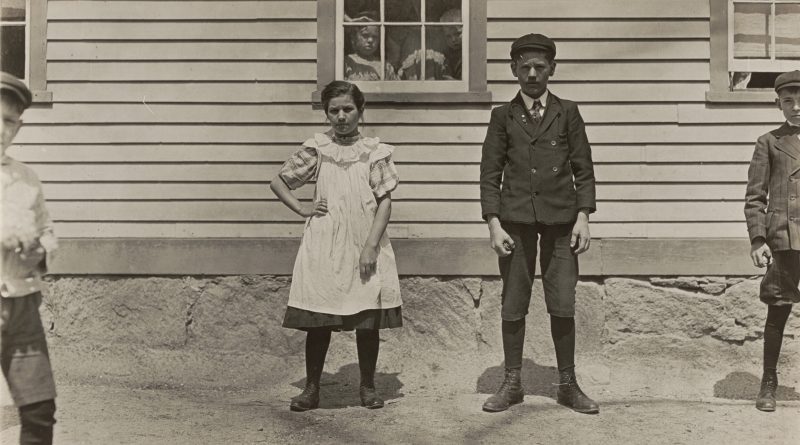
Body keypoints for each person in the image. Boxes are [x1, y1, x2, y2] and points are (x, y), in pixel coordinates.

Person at [478, 34, 598, 414]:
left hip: (563, 222)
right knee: (514, 302)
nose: (532, 74)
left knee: (562, 300)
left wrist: (583, 217)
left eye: (539, 67)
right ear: (514, 69)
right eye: (524, 67)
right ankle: (512, 383)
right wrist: (493, 224)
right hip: (514, 222)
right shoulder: (502, 116)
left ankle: (567, 384)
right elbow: (490, 172)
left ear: (552, 70)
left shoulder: (568, 112)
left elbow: (584, 169)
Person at [271, 81, 402, 411]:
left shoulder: (375, 151)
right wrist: (302, 208)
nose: (341, 117)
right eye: (334, 111)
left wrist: (371, 246)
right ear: (326, 113)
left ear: (361, 110)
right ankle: (312, 389)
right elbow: (279, 182)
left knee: (367, 316)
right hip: (325, 241)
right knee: (320, 317)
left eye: (348, 109)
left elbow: (384, 202)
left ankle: (368, 387)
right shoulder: (318, 149)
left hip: (364, 240)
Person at [1, 71, 59, 444]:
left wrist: (37, 247)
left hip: (21, 307)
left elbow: (46, 233)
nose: (0, 129)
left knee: (39, 409)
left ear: (18, 128)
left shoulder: (27, 178)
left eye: (9, 121)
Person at [744, 69, 800, 412]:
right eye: (788, 100)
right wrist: (757, 238)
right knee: (778, 313)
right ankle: (768, 382)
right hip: (784, 240)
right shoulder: (769, 141)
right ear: (778, 103)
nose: (797, 107)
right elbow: (755, 196)